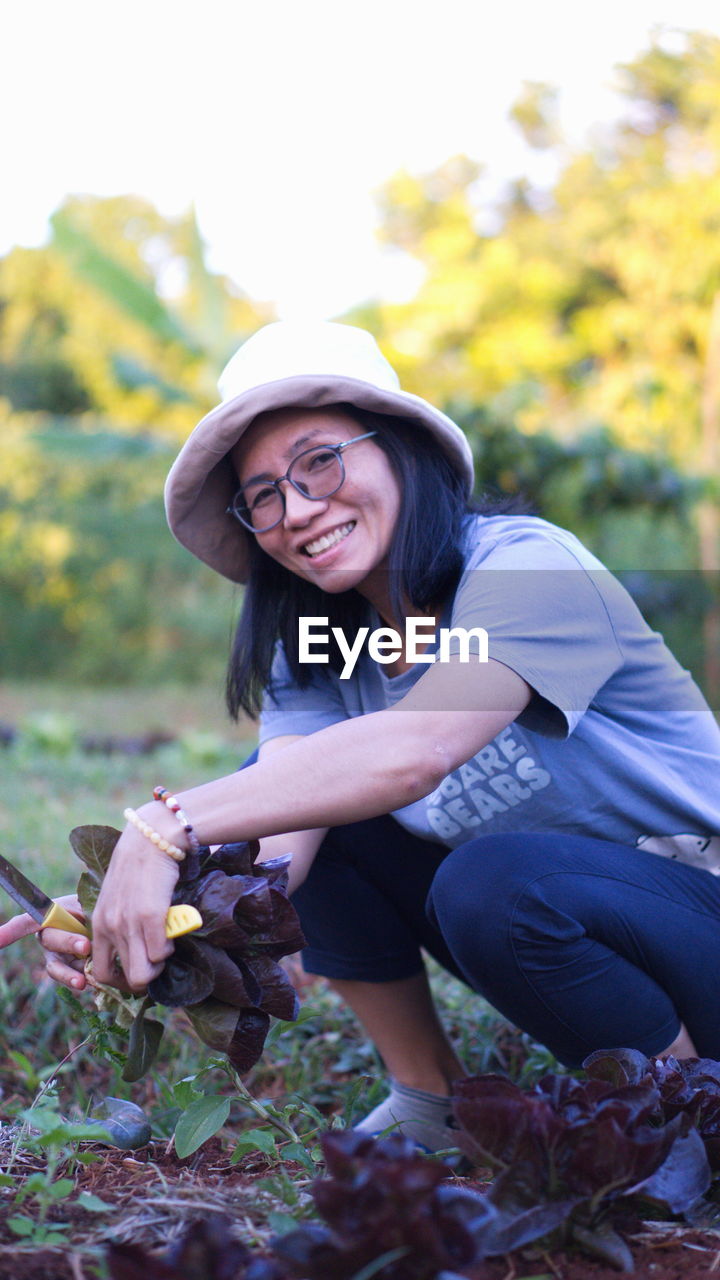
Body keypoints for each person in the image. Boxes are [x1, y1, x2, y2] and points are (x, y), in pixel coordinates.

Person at [4, 319, 720, 1155]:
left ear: (402, 451)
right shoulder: (320, 649)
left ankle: (683, 1126)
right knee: (288, 789)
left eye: (321, 461)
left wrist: (160, 825)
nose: (299, 510)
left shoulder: (527, 565)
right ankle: (433, 1100)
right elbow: (274, 843)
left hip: (697, 911)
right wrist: (125, 910)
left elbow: (415, 749)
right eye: (263, 494)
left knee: (495, 881)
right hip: (582, 932)